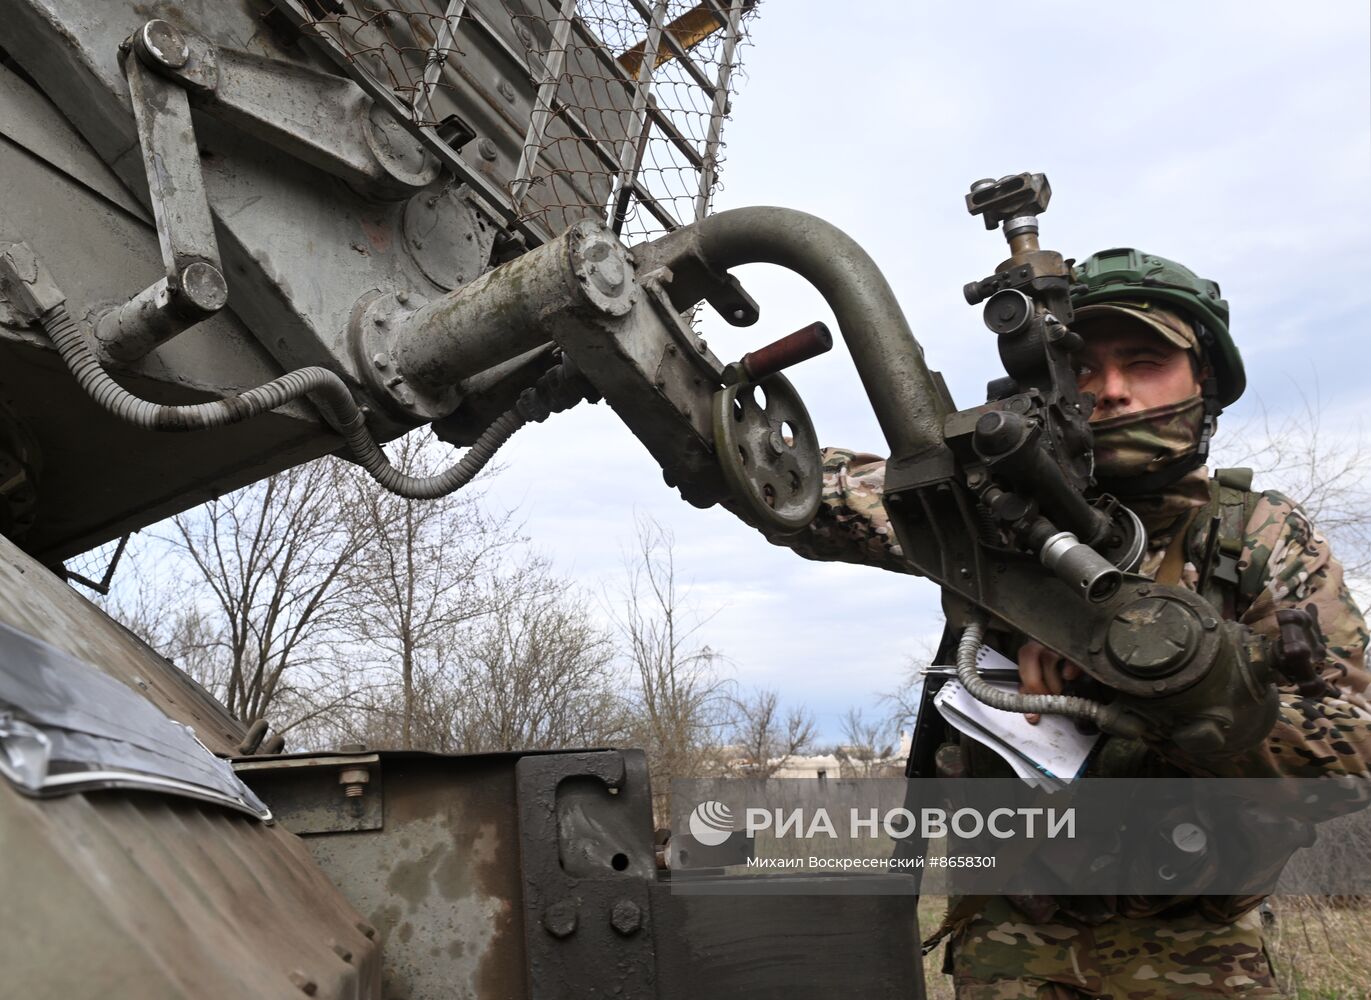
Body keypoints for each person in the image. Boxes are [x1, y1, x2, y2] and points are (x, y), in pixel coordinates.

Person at [772, 248, 1371, 998]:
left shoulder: (1255, 531)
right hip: (1011, 945)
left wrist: (1153, 687)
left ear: (1204, 381)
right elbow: (800, 491)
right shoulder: (992, 519)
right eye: (1083, 367)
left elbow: (1346, 750)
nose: (1111, 391)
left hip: (1196, 951)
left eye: (1145, 361)